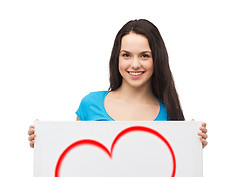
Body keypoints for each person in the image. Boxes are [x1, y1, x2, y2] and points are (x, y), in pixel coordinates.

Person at [28, 19, 208, 148]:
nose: (135, 64)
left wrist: (192, 145)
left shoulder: (170, 113)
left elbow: (176, 175)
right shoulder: (90, 104)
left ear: (157, 59)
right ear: (117, 58)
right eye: (126, 55)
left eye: (145, 55)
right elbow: (74, 158)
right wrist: (45, 143)